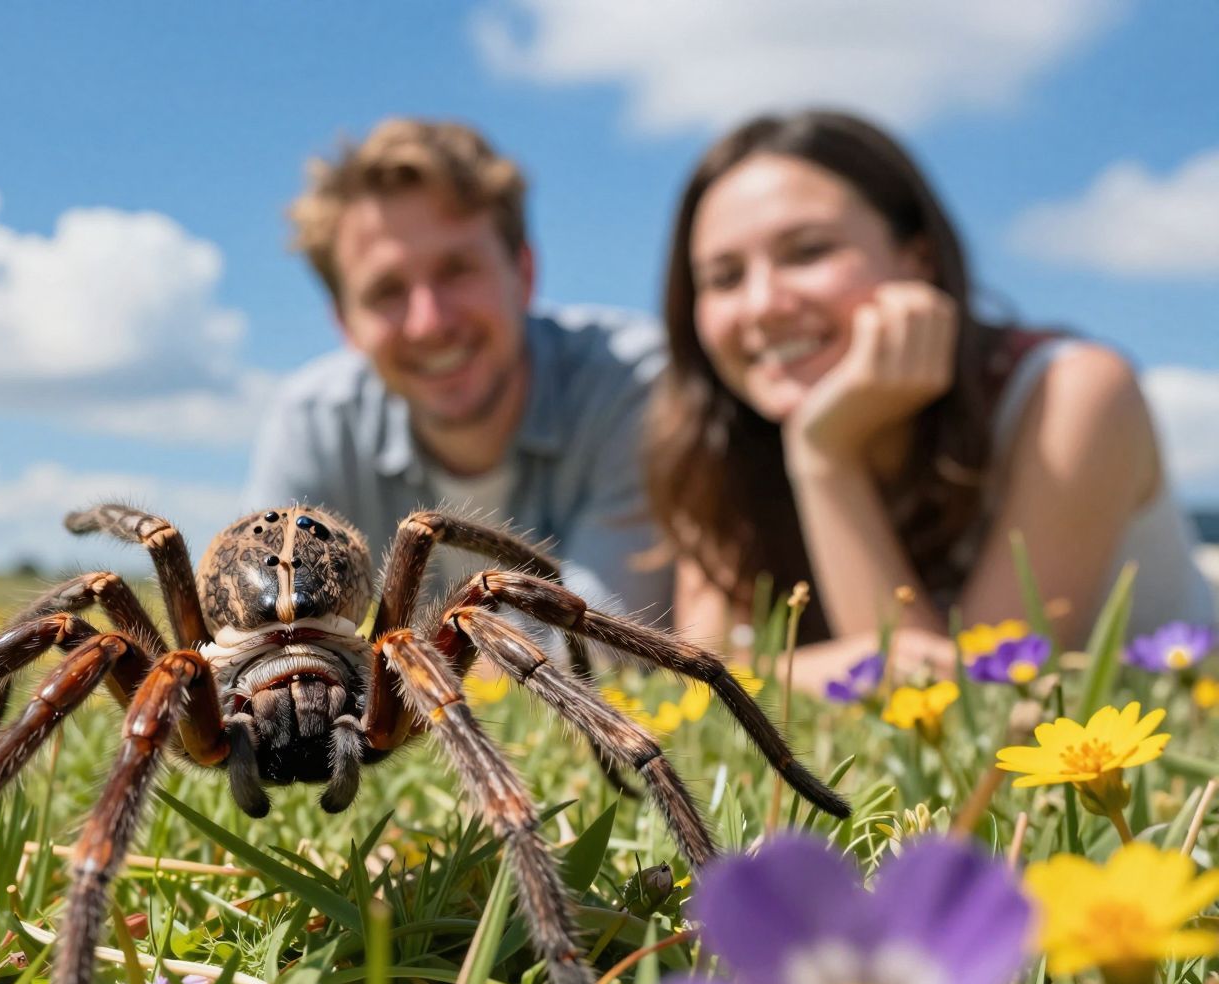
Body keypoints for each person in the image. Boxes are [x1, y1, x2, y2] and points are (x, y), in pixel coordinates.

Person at [644, 110, 1213, 690]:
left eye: (808, 251)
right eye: (723, 278)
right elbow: (692, 679)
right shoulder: (715, 441)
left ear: (918, 260)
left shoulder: (1073, 392)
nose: (762, 303)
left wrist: (825, 457)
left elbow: (970, 700)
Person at [245, 118, 671, 618]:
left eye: (457, 270)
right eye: (386, 292)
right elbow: (260, 636)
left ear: (524, 273)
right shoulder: (313, 422)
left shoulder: (631, 384)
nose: (430, 323)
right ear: (346, 324)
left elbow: (608, 634)